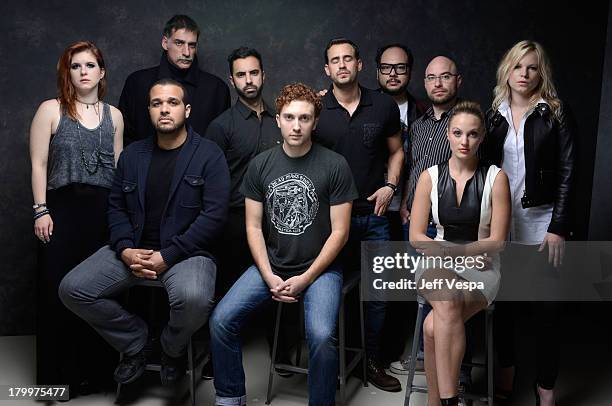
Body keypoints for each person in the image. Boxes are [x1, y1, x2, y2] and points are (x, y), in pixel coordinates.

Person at [59, 78, 229, 387]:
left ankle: (170, 347)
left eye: (173, 103)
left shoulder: (209, 154)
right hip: (133, 250)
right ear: (149, 110)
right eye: (156, 103)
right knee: (73, 289)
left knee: (195, 299)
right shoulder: (132, 155)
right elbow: (116, 208)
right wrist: (124, 248)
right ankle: (137, 342)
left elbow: (214, 216)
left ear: (187, 110)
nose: (164, 109)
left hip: (185, 254)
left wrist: (170, 254)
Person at [210, 83, 358, 406]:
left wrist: (305, 279)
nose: (296, 125)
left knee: (320, 336)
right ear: (278, 119)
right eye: (289, 117)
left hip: (320, 271)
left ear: (315, 122)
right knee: (221, 320)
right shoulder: (261, 165)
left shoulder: (335, 165)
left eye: (304, 118)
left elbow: (340, 233)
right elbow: (252, 226)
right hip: (273, 266)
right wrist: (268, 274)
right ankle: (230, 397)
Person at [482, 40, 575, 406]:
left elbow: (569, 173)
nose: (524, 74)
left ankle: (545, 386)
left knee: (546, 312)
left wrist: (559, 226)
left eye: (532, 67)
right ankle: (506, 370)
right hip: (502, 225)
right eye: (518, 66)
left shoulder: (555, 113)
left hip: (542, 223)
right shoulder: (492, 115)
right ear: (507, 69)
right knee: (502, 306)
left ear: (541, 73)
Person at [29, 40, 123, 397]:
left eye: (90, 65)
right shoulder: (51, 110)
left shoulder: (114, 116)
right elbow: (38, 164)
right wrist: (41, 209)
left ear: (102, 72)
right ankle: (56, 382)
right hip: (61, 212)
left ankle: (96, 376)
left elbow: (117, 169)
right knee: (58, 294)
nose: (83, 72)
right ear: (67, 72)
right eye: (76, 66)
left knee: (95, 292)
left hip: (101, 215)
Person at [315, 37, 404, 392]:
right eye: (334, 60)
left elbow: (397, 152)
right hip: (330, 220)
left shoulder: (382, 106)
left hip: (374, 216)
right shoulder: (317, 108)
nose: (341, 65)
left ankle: (372, 362)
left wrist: (392, 186)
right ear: (327, 69)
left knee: (378, 294)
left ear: (359, 64)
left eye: (347, 58)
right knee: (328, 291)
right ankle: (327, 360)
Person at [410, 101, 511, 406]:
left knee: (433, 326)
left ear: (482, 138)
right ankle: (451, 399)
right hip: (437, 263)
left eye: (472, 134)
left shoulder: (497, 178)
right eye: (457, 133)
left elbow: (497, 243)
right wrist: (462, 254)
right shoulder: (428, 177)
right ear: (448, 136)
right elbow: (416, 237)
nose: (464, 141)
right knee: (449, 296)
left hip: (483, 268)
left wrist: (458, 254)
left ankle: (434, 402)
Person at [204, 46, 283, 379]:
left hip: (278, 219)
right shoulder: (221, 126)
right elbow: (211, 182)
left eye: (254, 73)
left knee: (280, 285)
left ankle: (281, 349)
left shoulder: (283, 118)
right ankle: (218, 354)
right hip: (235, 221)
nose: (248, 80)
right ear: (231, 80)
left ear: (263, 74)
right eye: (241, 75)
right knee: (226, 290)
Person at [374, 42, 428, 373]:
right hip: (374, 210)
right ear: (377, 70)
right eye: (387, 68)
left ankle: (402, 352)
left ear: (410, 71)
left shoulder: (423, 111)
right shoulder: (365, 106)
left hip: (411, 212)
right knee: (380, 283)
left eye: (401, 68)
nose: (393, 74)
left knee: (409, 285)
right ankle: (376, 355)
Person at [119, 14, 230, 144]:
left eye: (192, 45)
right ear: (165, 43)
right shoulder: (137, 83)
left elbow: (223, 143)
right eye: (179, 43)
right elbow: (125, 137)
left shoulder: (217, 89)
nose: (187, 52)